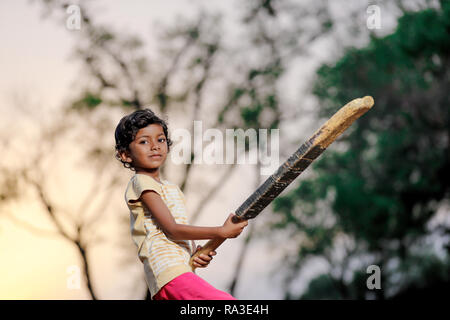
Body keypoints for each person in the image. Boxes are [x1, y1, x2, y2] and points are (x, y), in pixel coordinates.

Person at [114, 108, 248, 300]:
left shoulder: (171, 188)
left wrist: (195, 254)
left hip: (182, 272)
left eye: (160, 140)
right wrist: (221, 231)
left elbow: (178, 231)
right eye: (144, 141)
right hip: (169, 273)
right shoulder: (141, 182)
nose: (155, 146)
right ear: (126, 155)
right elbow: (172, 229)